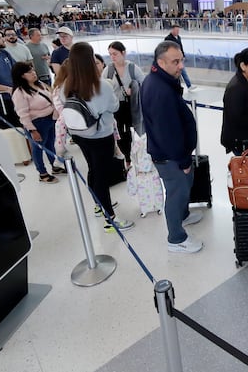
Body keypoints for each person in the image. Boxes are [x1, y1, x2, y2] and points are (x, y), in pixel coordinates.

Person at [58, 42, 132, 231]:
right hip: (101, 135)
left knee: (93, 169)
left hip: (79, 134)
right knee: (101, 175)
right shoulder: (102, 85)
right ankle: (110, 218)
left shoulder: (66, 85)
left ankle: (99, 205)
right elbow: (115, 107)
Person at [141, 40, 204, 253]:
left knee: (184, 187)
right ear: (160, 62)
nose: (181, 66)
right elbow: (167, 133)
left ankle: (183, 216)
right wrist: (184, 160)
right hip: (171, 157)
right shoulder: (160, 90)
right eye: (176, 62)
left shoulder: (163, 81)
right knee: (176, 192)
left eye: (182, 60)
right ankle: (176, 238)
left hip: (174, 153)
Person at [10, 62, 64, 184]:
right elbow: (22, 114)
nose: (33, 73)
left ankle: (55, 166)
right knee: (38, 149)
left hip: (50, 119)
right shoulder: (19, 92)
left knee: (50, 144)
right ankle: (42, 173)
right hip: (37, 124)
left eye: (33, 70)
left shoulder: (39, 85)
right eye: (29, 72)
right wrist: (32, 130)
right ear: (21, 75)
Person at [103, 41, 146, 168]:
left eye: (115, 54)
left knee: (138, 131)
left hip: (133, 105)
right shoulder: (108, 70)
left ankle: (139, 155)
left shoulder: (132, 68)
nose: (112, 57)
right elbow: (102, 87)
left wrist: (135, 89)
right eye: (110, 54)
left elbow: (144, 84)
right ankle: (127, 159)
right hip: (116, 107)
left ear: (123, 53)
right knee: (121, 133)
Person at [164, 24, 193, 89]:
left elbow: (181, 47)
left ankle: (189, 86)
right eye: (176, 30)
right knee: (176, 73)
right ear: (172, 30)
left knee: (182, 71)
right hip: (173, 59)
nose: (178, 32)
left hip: (179, 58)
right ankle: (177, 86)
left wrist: (183, 55)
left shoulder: (178, 37)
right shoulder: (168, 38)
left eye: (178, 30)